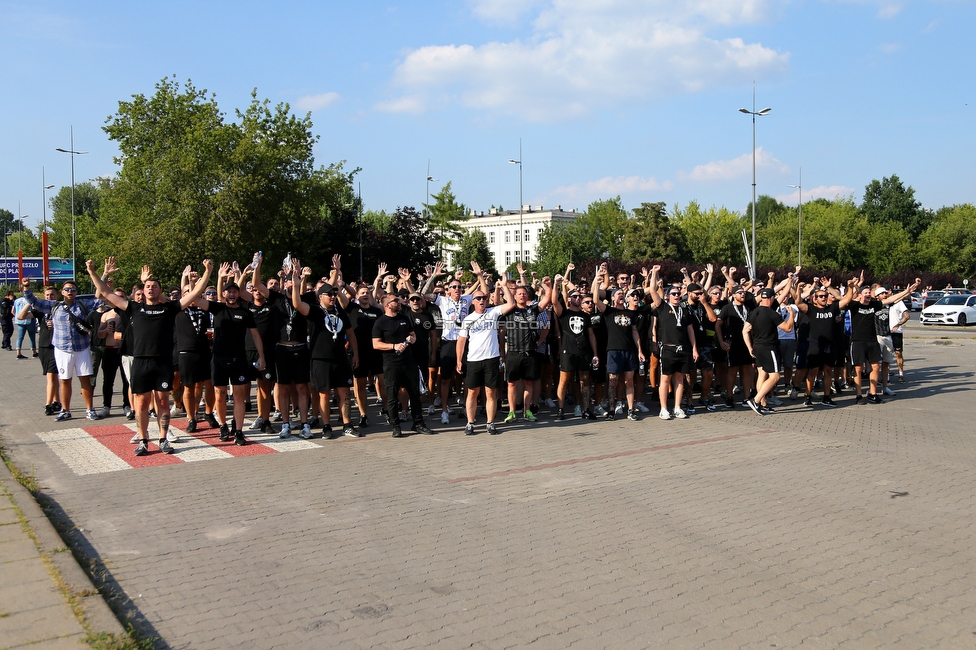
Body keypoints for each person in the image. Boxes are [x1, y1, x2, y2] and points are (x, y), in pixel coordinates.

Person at [87, 258, 213, 455]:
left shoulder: (169, 308)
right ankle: (144, 440)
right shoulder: (133, 308)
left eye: (155, 286)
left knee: (163, 403)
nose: (151, 288)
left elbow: (195, 293)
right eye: (147, 286)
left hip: (162, 362)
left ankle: (163, 439)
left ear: (159, 290)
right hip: (140, 362)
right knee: (142, 403)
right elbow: (106, 292)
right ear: (142, 290)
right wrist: (94, 272)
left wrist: (208, 271)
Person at [290, 260, 359, 439]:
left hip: (340, 358)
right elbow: (297, 304)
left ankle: (347, 425)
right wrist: (297, 285)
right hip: (320, 358)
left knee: (344, 392)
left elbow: (351, 334)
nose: (332, 296)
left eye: (334, 294)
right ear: (320, 297)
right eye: (328, 294)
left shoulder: (340, 311)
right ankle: (326, 426)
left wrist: (355, 354)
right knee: (324, 394)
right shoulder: (314, 311)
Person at [202, 263, 268, 444]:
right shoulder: (217, 308)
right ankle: (223, 426)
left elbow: (255, 335)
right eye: (228, 291)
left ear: (238, 294)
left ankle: (238, 431)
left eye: (234, 291)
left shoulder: (245, 313)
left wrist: (261, 356)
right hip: (219, 359)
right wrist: (216, 276)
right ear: (223, 294)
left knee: (239, 396)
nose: (232, 294)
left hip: (239, 358)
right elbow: (195, 300)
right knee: (220, 395)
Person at [20, 277, 102, 421]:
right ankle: (65, 410)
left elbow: (101, 298)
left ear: (76, 292)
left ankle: (90, 409)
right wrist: (26, 287)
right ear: (63, 292)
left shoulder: (83, 305)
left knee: (85, 379)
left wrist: (104, 276)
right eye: (67, 289)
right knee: (65, 380)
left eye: (73, 289)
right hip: (62, 349)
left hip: (82, 348)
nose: (70, 291)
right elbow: (33, 301)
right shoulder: (54, 306)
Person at [845, 277, 918, 404]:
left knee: (875, 366)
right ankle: (858, 395)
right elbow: (845, 299)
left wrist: (907, 291)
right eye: (865, 293)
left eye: (869, 293)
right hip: (857, 341)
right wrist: (851, 287)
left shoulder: (874, 305)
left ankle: (872, 394)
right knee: (857, 368)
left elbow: (891, 299)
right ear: (860, 295)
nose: (868, 295)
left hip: (873, 340)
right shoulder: (854, 306)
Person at [456, 279, 515, 435]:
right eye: (478, 298)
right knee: (472, 392)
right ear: (473, 302)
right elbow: (461, 341)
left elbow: (511, 304)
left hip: (491, 358)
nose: (482, 301)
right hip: (474, 360)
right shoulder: (468, 319)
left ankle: (490, 422)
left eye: (484, 298)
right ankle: (470, 423)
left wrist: (503, 286)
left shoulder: (493, 312)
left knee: (490, 393)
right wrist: (458, 360)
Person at [372, 292, 433, 437]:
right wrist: (394, 346)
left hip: (409, 362)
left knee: (415, 393)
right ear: (387, 305)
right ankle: (396, 426)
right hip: (391, 364)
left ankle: (418, 423)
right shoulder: (380, 322)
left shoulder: (404, 318)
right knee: (392, 395)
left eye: (398, 300)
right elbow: (376, 344)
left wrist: (412, 339)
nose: (399, 302)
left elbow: (413, 335)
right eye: (395, 301)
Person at [591, 264, 645, 421]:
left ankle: (630, 410)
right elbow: (595, 299)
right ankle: (612, 409)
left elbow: (635, 332)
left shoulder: (630, 313)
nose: (621, 295)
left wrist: (640, 350)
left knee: (629, 381)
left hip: (629, 351)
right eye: (618, 293)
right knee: (613, 383)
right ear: (613, 298)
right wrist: (597, 279)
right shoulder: (609, 311)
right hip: (613, 351)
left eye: (623, 293)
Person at [646, 267, 700, 420]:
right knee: (665, 378)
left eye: (678, 294)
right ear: (668, 296)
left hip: (683, 349)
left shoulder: (685, 310)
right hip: (668, 349)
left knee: (680, 379)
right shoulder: (662, 307)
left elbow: (690, 330)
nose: (677, 296)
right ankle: (664, 408)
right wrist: (654, 274)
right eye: (674, 294)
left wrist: (694, 348)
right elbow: (652, 290)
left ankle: (677, 407)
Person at [500, 283, 552, 424]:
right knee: (511, 384)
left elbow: (547, 298)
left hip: (530, 352)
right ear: (514, 296)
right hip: (513, 352)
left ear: (527, 295)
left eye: (524, 293)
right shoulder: (509, 310)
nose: (522, 295)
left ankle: (527, 411)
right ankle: (512, 411)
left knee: (528, 383)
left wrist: (545, 285)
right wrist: (504, 285)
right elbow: (498, 303)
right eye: (519, 293)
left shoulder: (533, 310)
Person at [551, 278, 599, 420]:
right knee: (564, 381)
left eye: (579, 296)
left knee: (585, 381)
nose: (578, 298)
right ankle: (561, 409)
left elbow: (591, 335)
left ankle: (585, 409)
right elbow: (554, 302)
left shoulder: (585, 316)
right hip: (568, 351)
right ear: (569, 298)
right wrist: (556, 284)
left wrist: (595, 353)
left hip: (584, 352)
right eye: (575, 296)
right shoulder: (564, 313)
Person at [742, 287, 794, 415]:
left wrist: (749, 348)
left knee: (762, 374)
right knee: (775, 376)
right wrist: (792, 314)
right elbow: (787, 328)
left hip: (758, 347)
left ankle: (763, 405)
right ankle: (756, 400)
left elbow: (745, 330)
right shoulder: (772, 313)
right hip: (769, 347)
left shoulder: (755, 312)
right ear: (771, 299)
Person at [26, 285, 62, 415]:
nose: (49, 297)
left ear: (57, 296)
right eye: (47, 295)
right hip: (43, 345)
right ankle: (57, 401)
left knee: (51, 375)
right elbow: (20, 316)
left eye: (52, 295)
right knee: (52, 376)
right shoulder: (40, 310)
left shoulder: (60, 308)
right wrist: (29, 303)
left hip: (56, 345)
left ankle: (48, 404)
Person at [889, 293, 910, 384]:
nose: (885, 294)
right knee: (886, 355)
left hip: (896, 332)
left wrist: (898, 324)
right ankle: (887, 376)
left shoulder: (899, 302)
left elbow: (907, 316)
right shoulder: (882, 303)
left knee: (898, 353)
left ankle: (901, 374)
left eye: (887, 292)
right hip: (885, 332)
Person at [13, 291, 37, 359]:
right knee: (32, 336)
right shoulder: (30, 300)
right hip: (29, 320)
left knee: (20, 337)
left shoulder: (16, 301)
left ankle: (18, 352)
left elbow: (13, 310)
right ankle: (34, 352)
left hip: (19, 320)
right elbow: (34, 309)